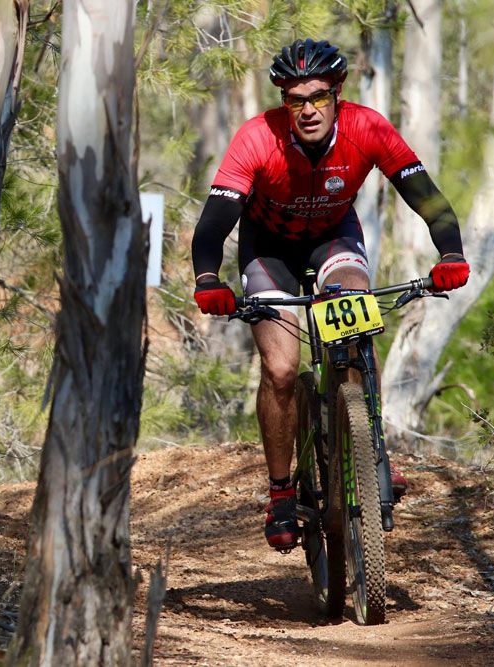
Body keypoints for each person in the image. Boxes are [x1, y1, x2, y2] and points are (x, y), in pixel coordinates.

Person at [190, 38, 470, 551]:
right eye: (295, 99)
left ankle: (372, 450)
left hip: (333, 238)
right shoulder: (257, 138)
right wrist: (208, 279)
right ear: (283, 102)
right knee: (279, 369)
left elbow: (427, 197)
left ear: (337, 93)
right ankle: (280, 493)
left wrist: (450, 253)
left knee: (356, 317)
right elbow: (212, 225)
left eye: (318, 96)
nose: (308, 109)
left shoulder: (367, 128)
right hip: (268, 250)